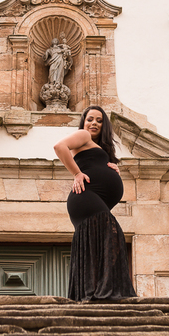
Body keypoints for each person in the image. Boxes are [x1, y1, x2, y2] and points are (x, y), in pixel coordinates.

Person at [53, 105, 136, 301]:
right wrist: (77, 173)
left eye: (99, 120)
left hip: (93, 199)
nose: (94, 123)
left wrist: (111, 165)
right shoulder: (83, 135)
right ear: (83, 121)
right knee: (112, 236)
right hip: (85, 196)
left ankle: (96, 291)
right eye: (90, 119)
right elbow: (59, 147)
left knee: (98, 241)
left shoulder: (98, 147)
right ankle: (104, 291)